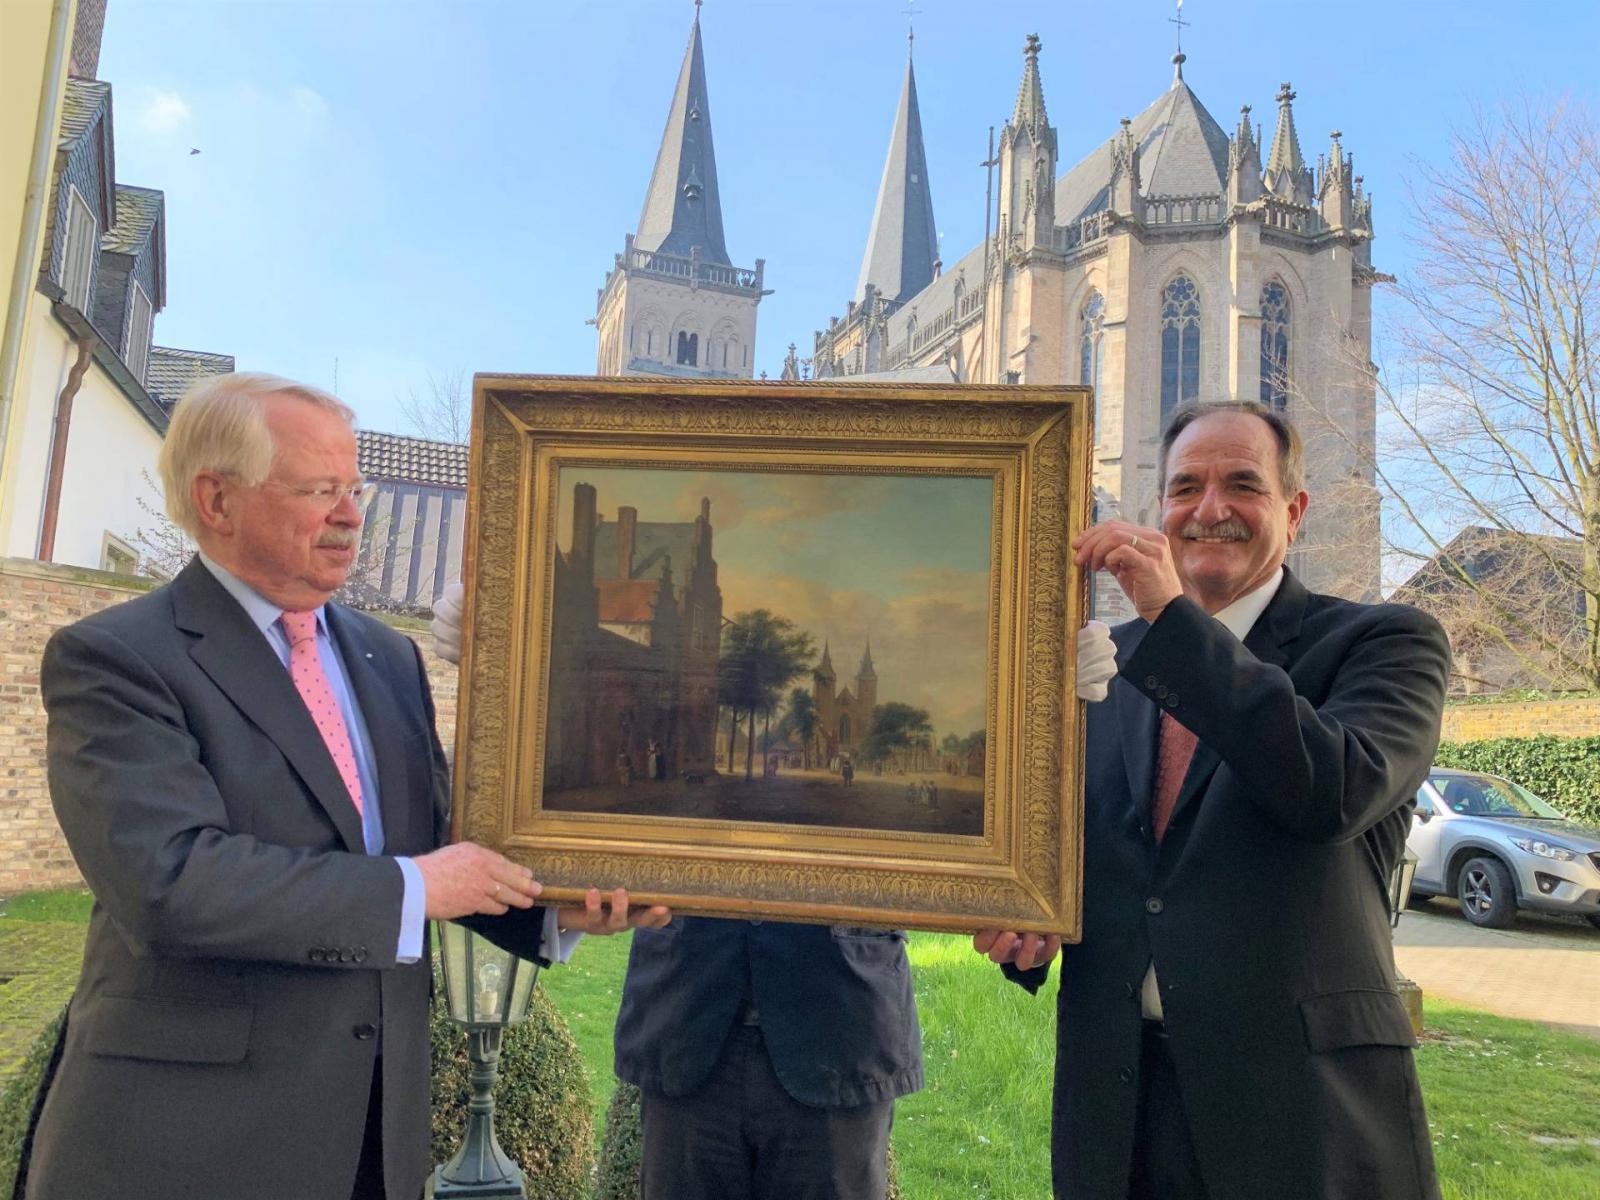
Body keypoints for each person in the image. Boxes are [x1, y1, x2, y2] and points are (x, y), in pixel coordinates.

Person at [19, 373, 666, 1200]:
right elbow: (168, 881)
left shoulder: (384, 655)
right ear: (216, 499)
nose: (353, 513)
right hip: (184, 1142)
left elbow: (433, 842)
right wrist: (416, 885)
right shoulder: (116, 659)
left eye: (354, 487)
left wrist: (551, 904)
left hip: (370, 1136)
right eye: (320, 490)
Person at [434, 579, 1117, 1200]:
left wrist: (1048, 697)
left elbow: (1018, 835)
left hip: (838, 1034)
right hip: (686, 1026)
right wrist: (512, 654)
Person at [977, 400, 1449, 1200]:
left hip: (1300, 1112)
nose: (1210, 509)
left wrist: (1168, 619)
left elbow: (1332, 791)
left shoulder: (1385, 642)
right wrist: (1030, 920)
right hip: (1120, 1104)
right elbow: (1082, 848)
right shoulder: (1103, 663)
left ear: (1293, 512)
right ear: (1161, 507)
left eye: (1243, 485)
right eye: (1185, 486)